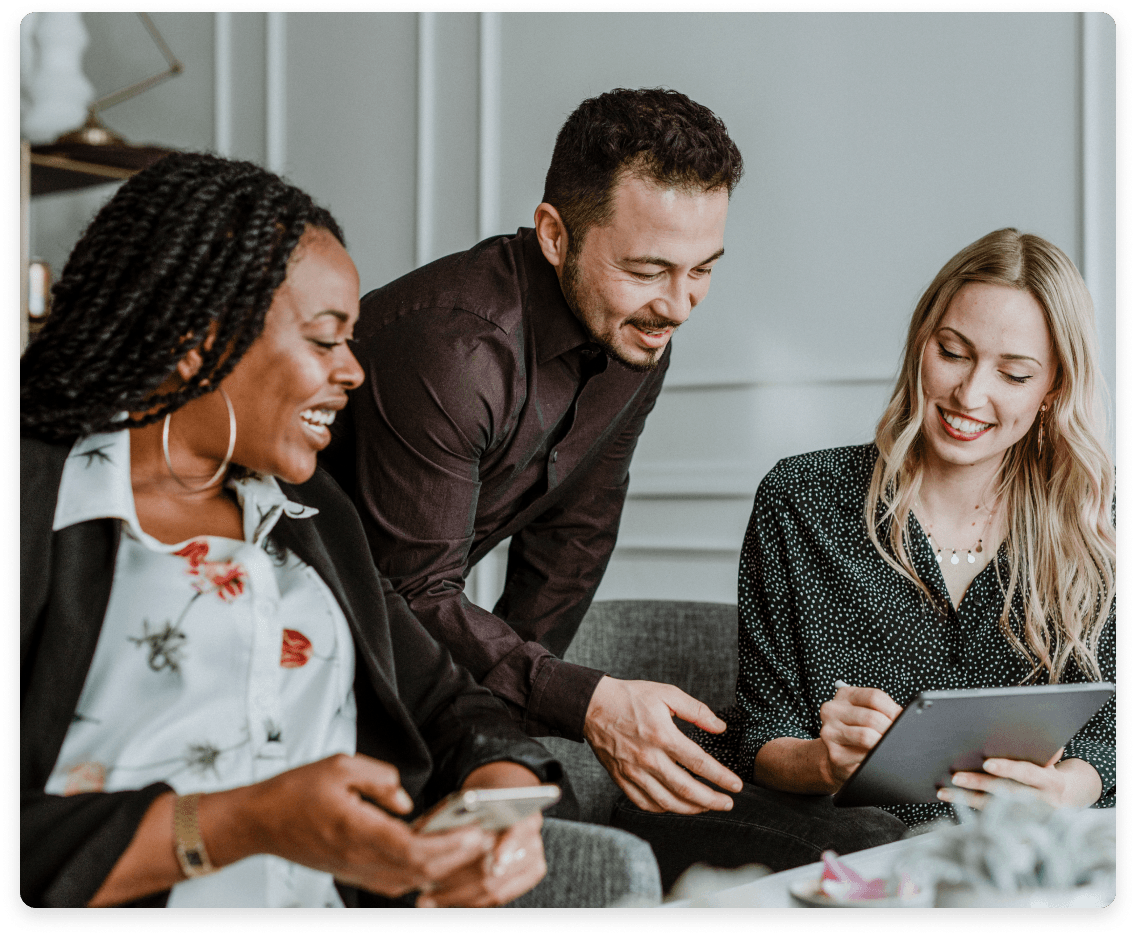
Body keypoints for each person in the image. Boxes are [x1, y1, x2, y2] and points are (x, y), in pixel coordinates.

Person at [18, 152, 563, 909]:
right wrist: (250, 821)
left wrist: (502, 803)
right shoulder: (34, 504)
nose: (354, 372)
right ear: (197, 340)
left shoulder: (314, 517)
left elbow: (447, 704)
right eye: (323, 338)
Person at [610, 228, 1116, 888]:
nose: (968, 394)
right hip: (801, 822)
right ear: (920, 345)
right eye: (953, 353)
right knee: (883, 839)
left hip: (983, 853)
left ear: (1051, 389)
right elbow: (765, 740)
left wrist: (1070, 787)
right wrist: (828, 761)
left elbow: (1108, 737)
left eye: (1013, 374)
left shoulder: (1085, 532)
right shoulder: (804, 500)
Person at [322, 87, 747, 815]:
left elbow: (572, 542)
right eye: (647, 269)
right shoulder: (454, 349)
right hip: (298, 640)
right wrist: (580, 704)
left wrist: (507, 730)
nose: (678, 306)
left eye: (702, 269)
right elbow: (414, 589)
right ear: (555, 235)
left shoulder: (637, 335)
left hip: (419, 658)